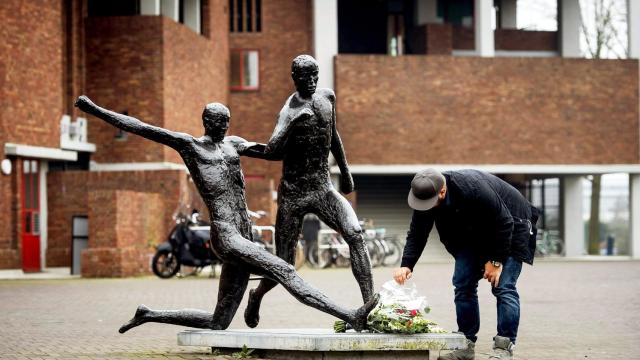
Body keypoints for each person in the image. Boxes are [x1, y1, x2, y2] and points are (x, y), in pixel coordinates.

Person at [74, 95, 378, 333]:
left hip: (244, 232)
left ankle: (149, 314)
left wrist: (300, 125)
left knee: (218, 321)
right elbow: (140, 127)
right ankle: (350, 314)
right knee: (285, 269)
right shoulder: (190, 146)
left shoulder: (234, 144)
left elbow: (272, 151)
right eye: (217, 121)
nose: (223, 126)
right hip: (227, 234)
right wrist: (94, 110)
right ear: (206, 121)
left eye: (226, 121)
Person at [243, 55, 373, 328]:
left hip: (323, 188)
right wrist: (292, 123)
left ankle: (369, 309)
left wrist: (346, 172)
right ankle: (256, 295)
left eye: (315, 75)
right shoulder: (288, 110)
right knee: (284, 263)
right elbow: (271, 151)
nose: (313, 81)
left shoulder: (328, 97)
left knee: (355, 234)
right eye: (306, 77)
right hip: (293, 194)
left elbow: (333, 134)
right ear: (295, 78)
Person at [393, 168, 538, 360]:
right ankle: (465, 346)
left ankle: (504, 348)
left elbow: (504, 222)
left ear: (442, 191)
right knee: (462, 283)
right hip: (473, 234)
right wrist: (407, 265)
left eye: (430, 203)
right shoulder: (426, 196)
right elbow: (418, 233)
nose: (425, 207)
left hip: (511, 226)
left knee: (503, 287)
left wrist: (495, 261)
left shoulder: (473, 188)